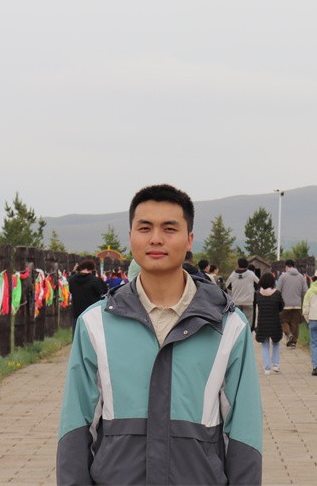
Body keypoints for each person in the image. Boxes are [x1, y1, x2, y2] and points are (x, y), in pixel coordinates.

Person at [57, 184, 262, 485]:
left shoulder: (229, 326)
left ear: (189, 239)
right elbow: (76, 426)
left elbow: (245, 431)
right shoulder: (95, 324)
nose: (156, 238)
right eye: (145, 228)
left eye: (169, 228)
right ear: (131, 237)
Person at [254, 272, 284, 375]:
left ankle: (267, 368)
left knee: (265, 345)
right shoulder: (277, 294)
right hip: (275, 322)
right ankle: (275, 364)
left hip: (263, 323)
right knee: (276, 343)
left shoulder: (258, 294)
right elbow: (281, 307)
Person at [275, 260, 308, 348]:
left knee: (283, 320)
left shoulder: (283, 276)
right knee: (295, 323)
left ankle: (288, 334)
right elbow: (305, 291)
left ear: (286, 266)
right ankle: (293, 343)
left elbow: (278, 291)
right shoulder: (301, 277)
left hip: (285, 305)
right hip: (297, 304)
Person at [67, 258, 108, 326]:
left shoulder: (72, 280)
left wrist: (73, 272)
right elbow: (103, 291)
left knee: (77, 331)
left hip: (77, 312)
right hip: (92, 312)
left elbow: (70, 289)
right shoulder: (96, 280)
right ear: (92, 268)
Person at [226, 258, 258, 329]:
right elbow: (259, 283)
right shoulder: (251, 274)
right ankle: (247, 334)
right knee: (248, 322)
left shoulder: (233, 274)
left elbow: (227, 286)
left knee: (238, 321)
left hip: (236, 301)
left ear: (238, 265)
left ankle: (239, 334)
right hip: (248, 301)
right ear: (247, 265)